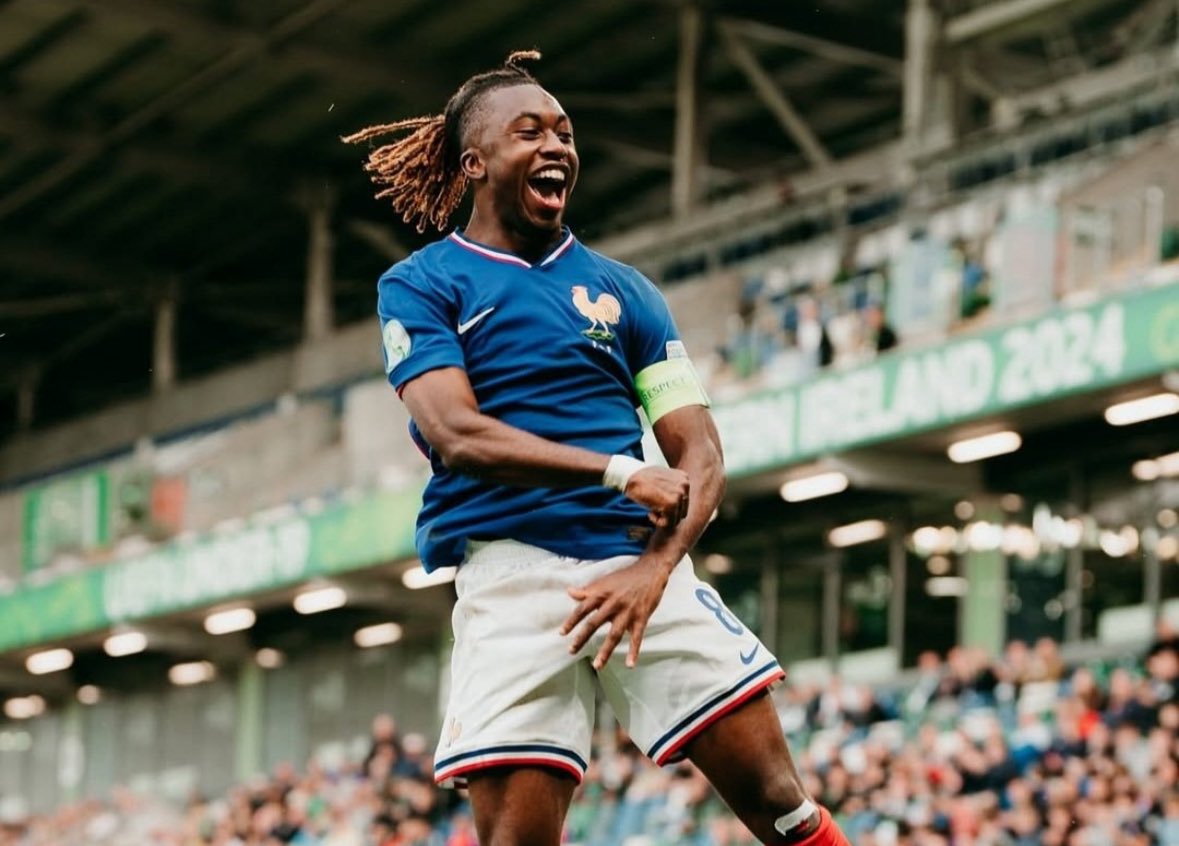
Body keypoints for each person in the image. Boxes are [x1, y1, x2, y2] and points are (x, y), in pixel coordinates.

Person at [344, 51, 849, 846]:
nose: (555, 146)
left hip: (637, 565)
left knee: (781, 804)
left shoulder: (628, 292)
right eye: (529, 132)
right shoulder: (421, 283)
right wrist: (619, 471)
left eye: (564, 133)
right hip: (512, 579)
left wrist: (655, 570)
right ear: (475, 162)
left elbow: (701, 454)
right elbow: (456, 433)